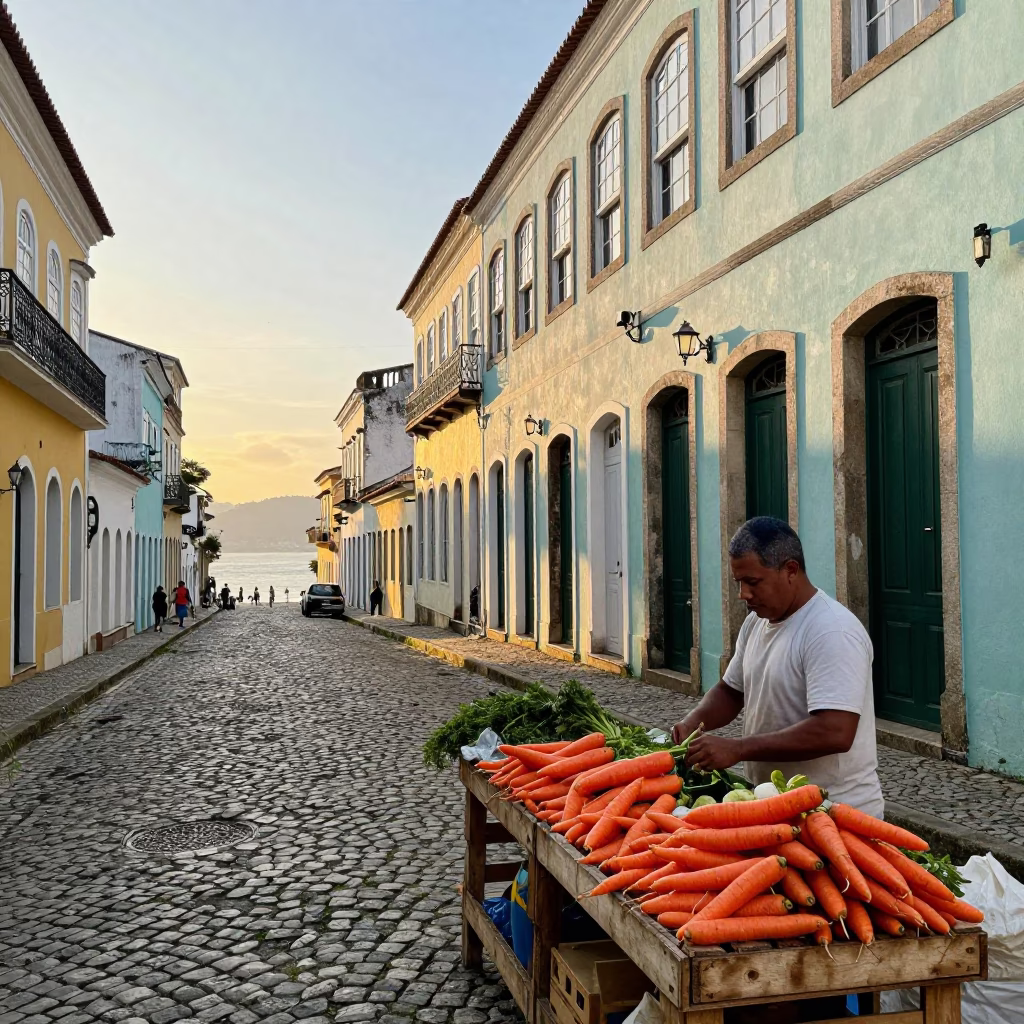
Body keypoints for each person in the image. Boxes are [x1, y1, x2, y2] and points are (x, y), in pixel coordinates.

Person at [672, 516, 882, 817]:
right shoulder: (756, 623)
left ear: (791, 570)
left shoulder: (831, 631)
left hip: (834, 813)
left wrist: (738, 748)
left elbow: (835, 731)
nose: (743, 594)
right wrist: (692, 723)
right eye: (738, 582)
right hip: (777, 806)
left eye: (753, 582)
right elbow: (731, 691)